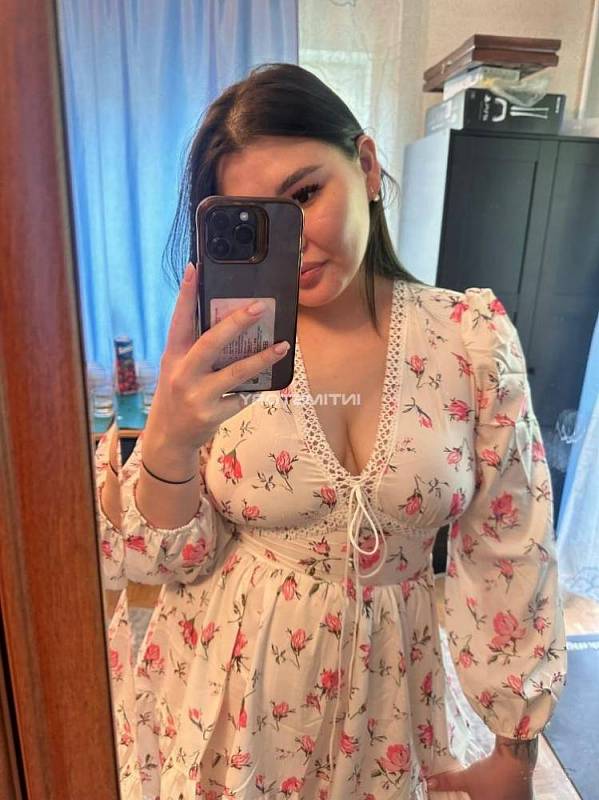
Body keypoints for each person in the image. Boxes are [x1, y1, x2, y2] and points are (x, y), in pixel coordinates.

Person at [99, 62, 567, 799]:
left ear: (367, 167)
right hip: (234, 697)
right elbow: (166, 560)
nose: (293, 243)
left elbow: (512, 545)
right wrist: (168, 439)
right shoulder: (222, 350)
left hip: (394, 698)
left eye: (304, 196)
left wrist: (516, 747)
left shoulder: (469, 338)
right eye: (257, 219)